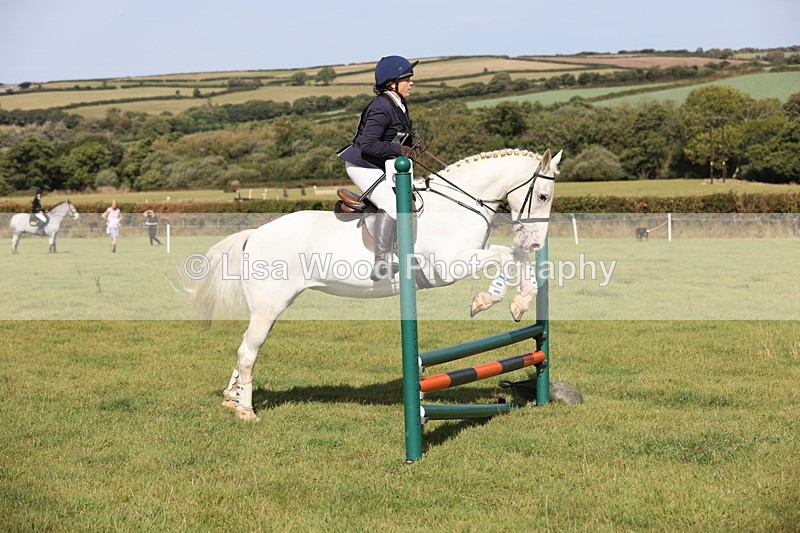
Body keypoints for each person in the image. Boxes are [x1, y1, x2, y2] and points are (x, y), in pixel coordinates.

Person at [337, 55, 424, 280]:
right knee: (392, 205)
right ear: (391, 83)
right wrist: (399, 150)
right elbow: (368, 144)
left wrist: (411, 142)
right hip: (362, 165)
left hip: (379, 164)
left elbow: (392, 135)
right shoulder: (381, 107)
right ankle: (381, 262)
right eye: (407, 79)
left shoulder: (398, 104)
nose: (411, 82)